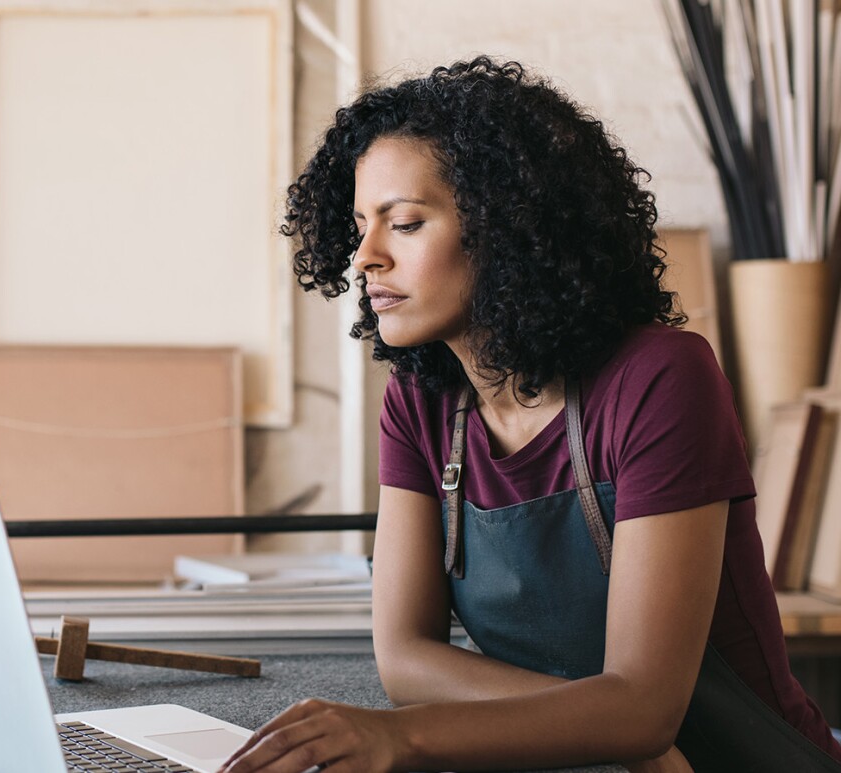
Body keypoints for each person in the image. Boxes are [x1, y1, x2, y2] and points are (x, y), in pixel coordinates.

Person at [220, 57, 841, 773]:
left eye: (406, 223)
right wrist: (616, 731)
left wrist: (404, 735)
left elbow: (646, 702)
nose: (365, 257)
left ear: (508, 229)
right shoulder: (421, 404)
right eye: (360, 226)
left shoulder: (662, 378)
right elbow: (406, 660)